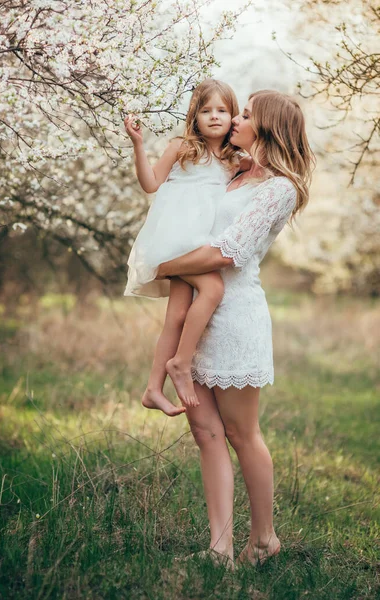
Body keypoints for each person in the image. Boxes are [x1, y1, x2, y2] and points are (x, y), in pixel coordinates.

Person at [155, 90, 315, 567]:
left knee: (243, 434)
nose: (237, 120)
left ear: (266, 128)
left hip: (236, 316)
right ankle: (220, 548)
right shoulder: (234, 170)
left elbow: (227, 253)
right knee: (205, 433)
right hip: (199, 317)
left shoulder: (280, 189)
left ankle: (264, 538)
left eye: (246, 114)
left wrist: (160, 266)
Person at [123, 79, 247, 415]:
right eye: (206, 111)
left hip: (199, 243)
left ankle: (152, 389)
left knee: (176, 315)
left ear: (233, 115)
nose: (214, 117)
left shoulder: (236, 159)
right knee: (213, 290)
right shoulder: (181, 146)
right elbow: (151, 184)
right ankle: (180, 362)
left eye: (222, 110)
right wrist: (138, 144)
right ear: (195, 116)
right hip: (175, 238)